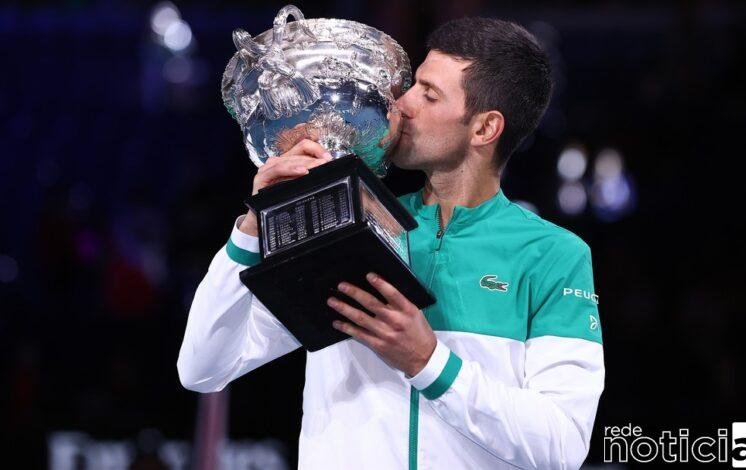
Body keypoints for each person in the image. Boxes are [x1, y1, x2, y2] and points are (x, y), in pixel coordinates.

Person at [178, 16, 604, 470]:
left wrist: (429, 362)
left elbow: (561, 446)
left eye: (429, 94)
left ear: (484, 129)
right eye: (412, 85)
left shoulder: (554, 255)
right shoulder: (343, 218)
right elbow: (203, 369)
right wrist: (251, 228)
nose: (402, 103)